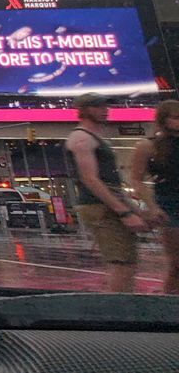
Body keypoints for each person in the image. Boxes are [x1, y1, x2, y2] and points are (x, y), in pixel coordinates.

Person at [65, 93, 149, 292]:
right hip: (100, 207)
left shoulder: (94, 137)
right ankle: (122, 311)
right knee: (120, 262)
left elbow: (110, 183)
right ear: (84, 110)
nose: (105, 110)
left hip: (107, 204)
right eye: (98, 106)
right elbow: (90, 179)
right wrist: (124, 212)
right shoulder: (81, 138)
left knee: (126, 260)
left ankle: (125, 303)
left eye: (105, 105)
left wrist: (134, 209)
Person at [128, 99, 179, 294]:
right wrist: (152, 207)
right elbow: (136, 179)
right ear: (164, 119)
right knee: (176, 265)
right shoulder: (149, 146)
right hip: (169, 204)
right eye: (175, 117)